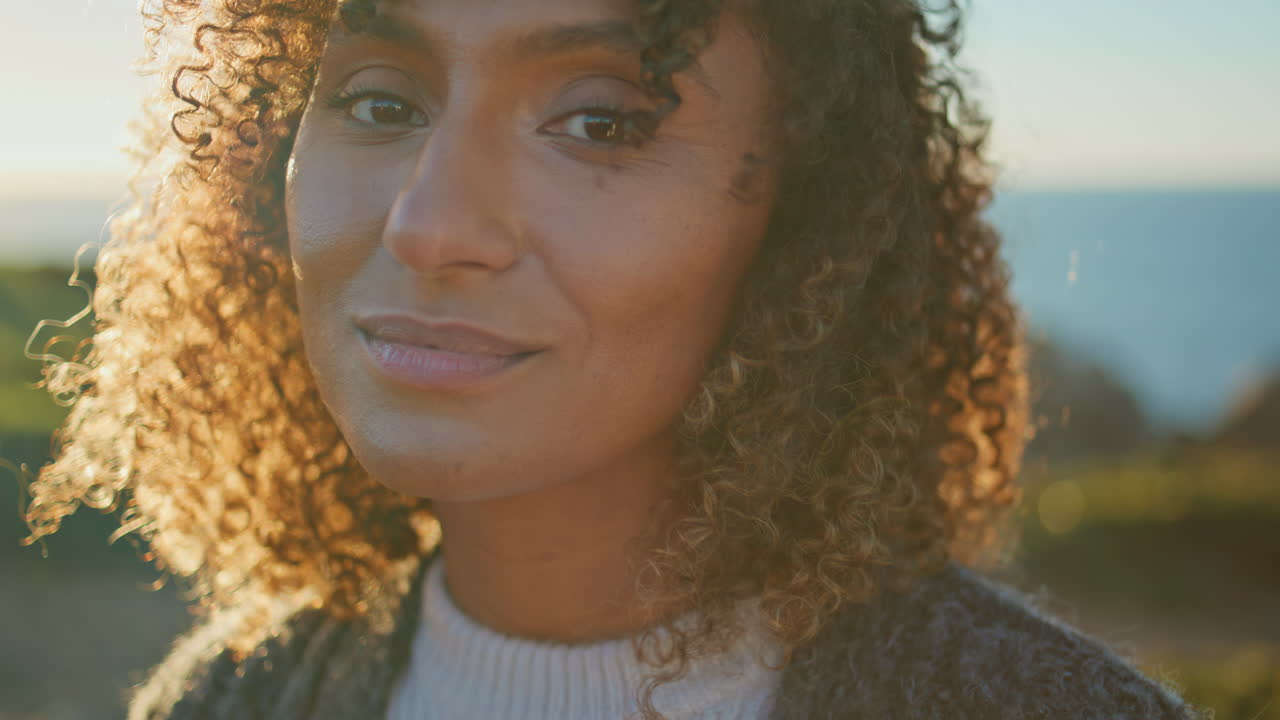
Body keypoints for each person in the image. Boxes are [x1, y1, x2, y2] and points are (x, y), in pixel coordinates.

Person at [22, 0, 1200, 718]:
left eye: (599, 121)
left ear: (807, 221)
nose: (429, 223)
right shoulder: (231, 705)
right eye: (378, 103)